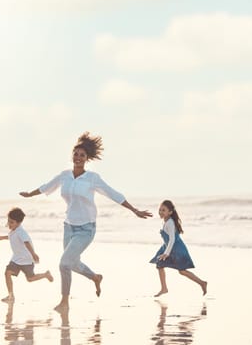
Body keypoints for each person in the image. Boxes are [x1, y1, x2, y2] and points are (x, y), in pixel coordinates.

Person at [19, 132, 153, 311]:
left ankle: (64, 302)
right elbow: (47, 186)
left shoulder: (92, 179)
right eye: (76, 154)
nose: (78, 157)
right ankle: (95, 278)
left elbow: (113, 194)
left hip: (86, 229)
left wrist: (134, 209)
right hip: (69, 227)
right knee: (72, 263)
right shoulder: (64, 175)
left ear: (87, 158)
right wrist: (30, 194)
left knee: (64, 263)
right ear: (72, 156)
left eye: (82, 155)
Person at [0, 207, 54, 303]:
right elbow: (10, 237)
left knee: (30, 279)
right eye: (8, 221)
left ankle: (46, 274)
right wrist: (2, 238)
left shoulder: (21, 232)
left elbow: (26, 242)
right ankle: (11, 295)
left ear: (18, 223)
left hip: (26, 260)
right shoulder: (14, 230)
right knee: (7, 273)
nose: (9, 224)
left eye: (11, 222)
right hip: (16, 259)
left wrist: (33, 254)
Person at [150, 200, 207, 297]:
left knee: (182, 271)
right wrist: (165, 250)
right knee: (159, 264)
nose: (160, 212)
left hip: (177, 250)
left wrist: (166, 253)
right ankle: (164, 288)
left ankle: (202, 283)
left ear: (170, 212)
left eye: (163, 210)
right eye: (160, 210)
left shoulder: (170, 223)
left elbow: (172, 239)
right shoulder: (166, 221)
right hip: (168, 247)